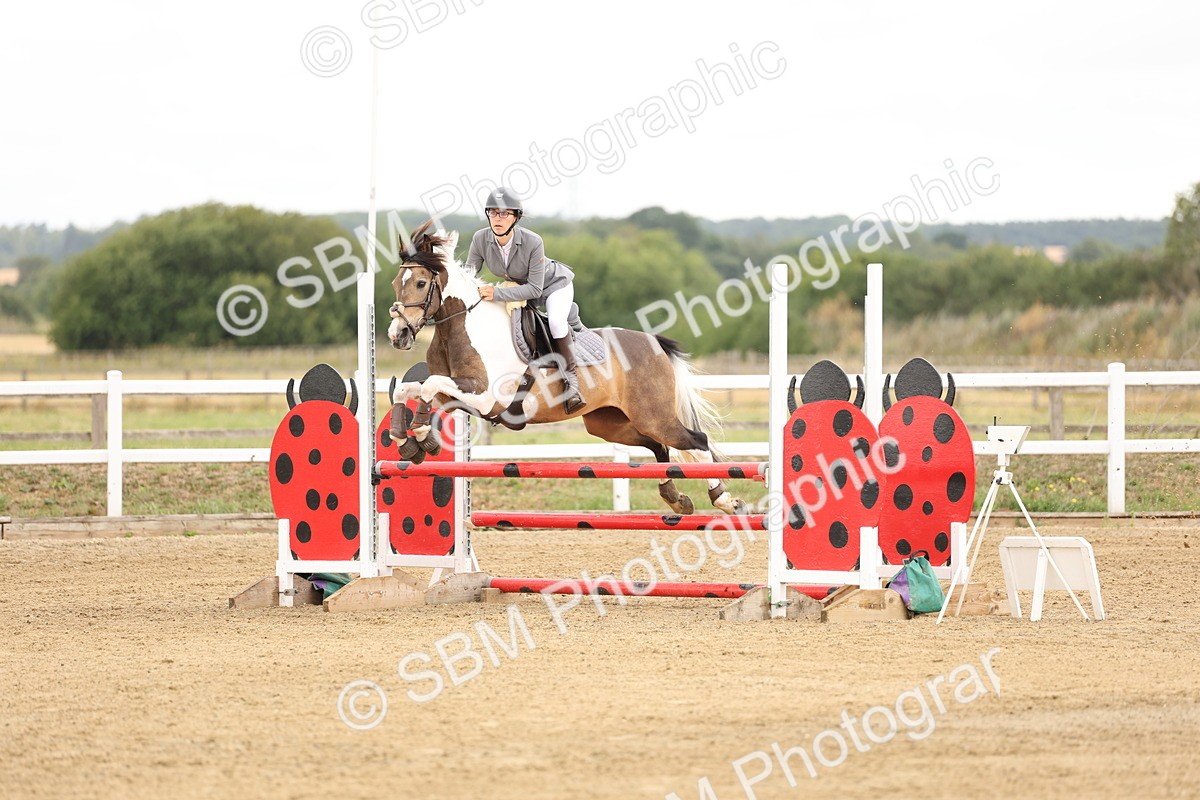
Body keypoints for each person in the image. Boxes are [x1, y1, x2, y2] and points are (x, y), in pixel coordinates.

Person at [466, 187, 587, 414]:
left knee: (557, 322)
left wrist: (496, 294)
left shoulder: (533, 241)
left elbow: (534, 288)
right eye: (493, 213)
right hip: (521, 291)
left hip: (553, 286)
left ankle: (571, 381)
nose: (497, 219)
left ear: (516, 217)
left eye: (504, 214)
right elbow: (469, 276)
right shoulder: (480, 238)